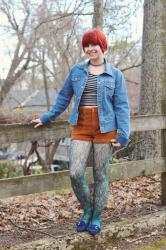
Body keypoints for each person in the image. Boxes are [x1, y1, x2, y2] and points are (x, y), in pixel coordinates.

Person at [31, 29, 130, 235]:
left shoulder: (115, 74)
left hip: (106, 128)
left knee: (101, 174)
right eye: (86, 45)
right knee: (75, 172)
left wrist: (123, 134)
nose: (89, 48)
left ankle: (96, 216)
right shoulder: (77, 71)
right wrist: (46, 117)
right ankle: (86, 210)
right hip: (81, 126)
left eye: (94, 44)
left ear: (102, 46)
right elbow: (63, 97)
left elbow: (121, 106)